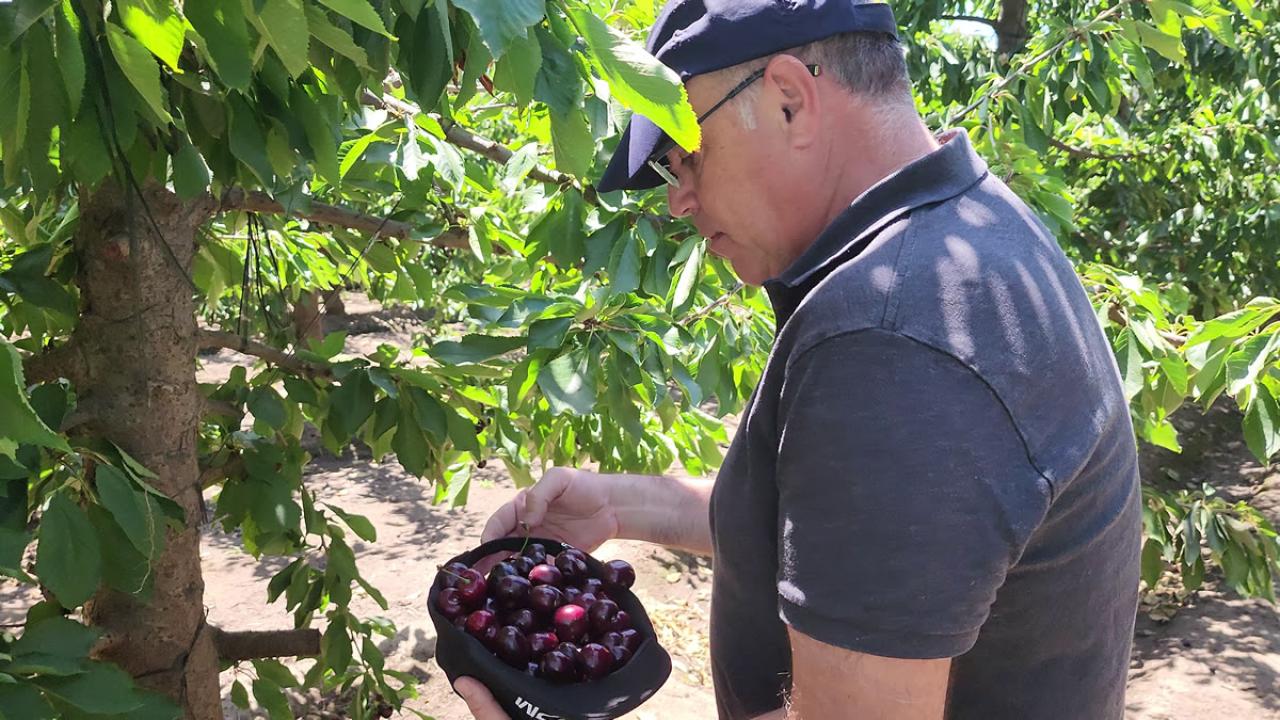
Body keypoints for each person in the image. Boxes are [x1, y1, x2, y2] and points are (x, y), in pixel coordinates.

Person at [454, 1, 1142, 718]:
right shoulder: (969, 232)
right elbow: (854, 540)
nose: (677, 201)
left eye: (685, 154)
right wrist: (625, 504)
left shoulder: (892, 338)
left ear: (789, 100)